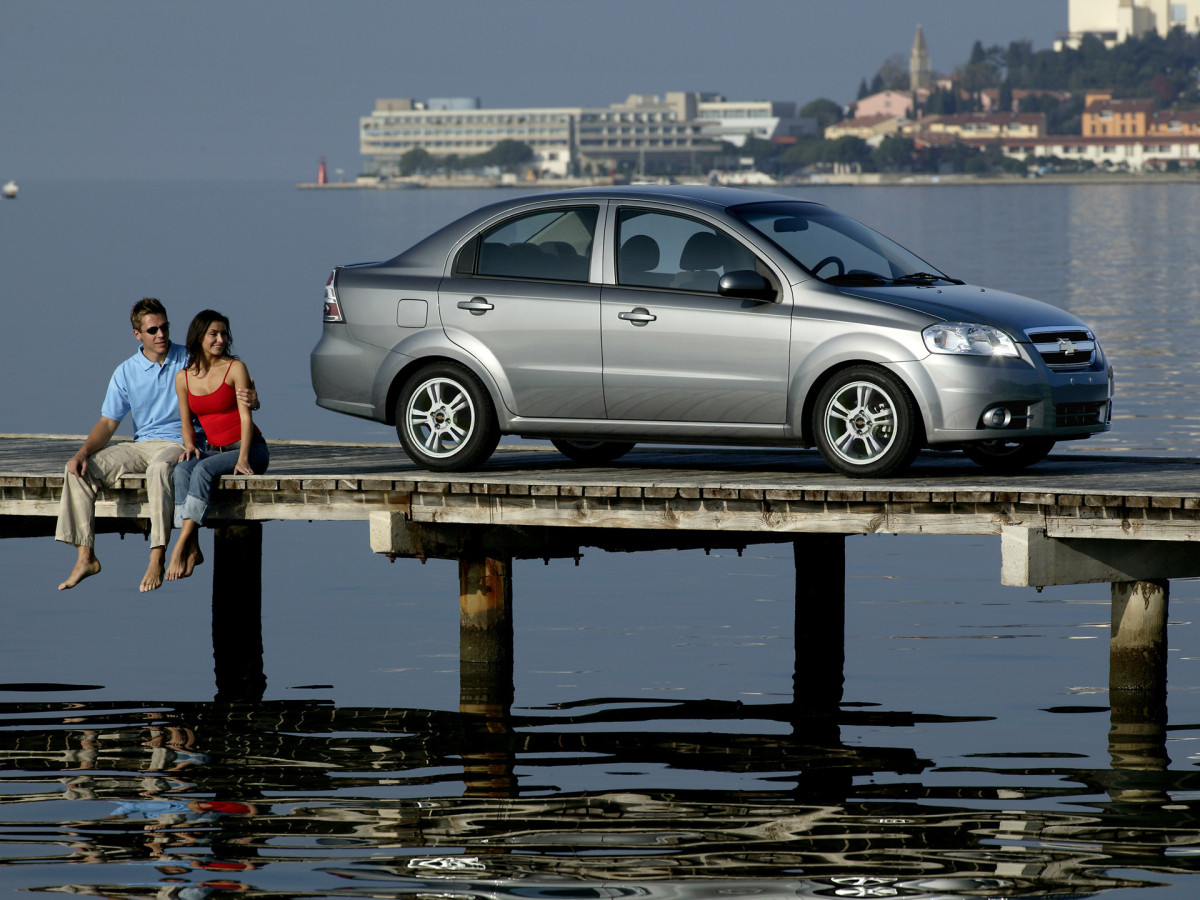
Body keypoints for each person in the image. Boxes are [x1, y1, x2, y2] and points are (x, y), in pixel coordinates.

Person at [56, 298, 258, 593]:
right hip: (141, 444)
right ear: (138, 334)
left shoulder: (188, 357)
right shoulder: (125, 371)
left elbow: (227, 374)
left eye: (165, 327)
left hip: (181, 443)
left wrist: (255, 398)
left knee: (160, 468)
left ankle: (157, 554)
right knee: (78, 470)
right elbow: (109, 423)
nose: (161, 334)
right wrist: (83, 453)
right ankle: (85, 557)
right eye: (153, 330)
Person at [166, 311, 269, 582]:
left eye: (224, 334)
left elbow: (247, 418)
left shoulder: (236, 368)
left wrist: (244, 458)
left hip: (251, 449)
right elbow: (186, 422)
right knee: (182, 470)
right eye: (214, 334)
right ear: (199, 337)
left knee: (202, 472)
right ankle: (194, 547)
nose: (221, 339)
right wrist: (189, 445)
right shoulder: (183, 378)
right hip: (214, 449)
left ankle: (179, 545)